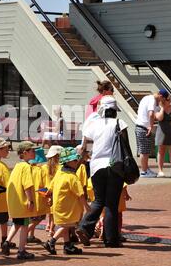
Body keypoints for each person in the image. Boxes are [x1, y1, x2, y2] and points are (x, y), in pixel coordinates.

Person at [76, 96, 129, 248]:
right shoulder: (120, 123)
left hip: (96, 167)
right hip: (115, 167)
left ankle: (84, 227)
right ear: (114, 110)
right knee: (111, 204)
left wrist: (78, 166)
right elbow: (125, 146)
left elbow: (85, 148)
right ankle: (111, 239)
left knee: (98, 200)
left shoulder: (92, 125)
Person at [42, 147, 91, 255]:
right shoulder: (72, 177)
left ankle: (67, 245)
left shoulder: (60, 172)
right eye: (74, 160)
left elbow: (52, 184)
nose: (76, 161)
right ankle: (51, 242)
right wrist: (86, 206)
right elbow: (80, 194)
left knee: (65, 225)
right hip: (68, 207)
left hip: (59, 204)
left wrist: (48, 193)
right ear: (68, 161)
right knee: (67, 225)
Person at [2, 141, 37, 260]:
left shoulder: (17, 166)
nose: (34, 152)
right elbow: (27, 185)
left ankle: (7, 242)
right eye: (32, 150)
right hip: (23, 201)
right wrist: (30, 200)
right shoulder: (26, 167)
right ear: (25, 152)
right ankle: (21, 250)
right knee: (24, 226)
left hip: (14, 201)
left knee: (17, 224)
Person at [135, 90, 168, 178]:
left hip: (140, 126)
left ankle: (145, 169)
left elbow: (155, 116)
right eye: (162, 99)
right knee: (144, 151)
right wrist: (150, 126)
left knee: (144, 150)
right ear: (160, 96)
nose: (161, 102)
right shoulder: (152, 100)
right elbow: (151, 114)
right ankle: (144, 171)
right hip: (144, 127)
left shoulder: (146, 98)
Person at [27, 148, 49, 244]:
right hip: (39, 196)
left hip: (29, 195)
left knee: (32, 218)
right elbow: (44, 184)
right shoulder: (42, 169)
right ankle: (25, 233)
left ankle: (30, 236)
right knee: (39, 218)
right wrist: (47, 196)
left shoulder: (29, 168)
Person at [155, 94, 171, 177]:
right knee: (161, 151)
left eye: (167, 100)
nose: (166, 102)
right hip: (161, 132)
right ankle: (160, 170)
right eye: (164, 101)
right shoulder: (158, 108)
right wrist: (162, 108)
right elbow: (160, 118)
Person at [42, 145, 63, 238]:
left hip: (46, 190)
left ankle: (48, 225)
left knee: (50, 211)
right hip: (56, 190)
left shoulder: (44, 167)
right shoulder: (60, 167)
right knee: (54, 211)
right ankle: (51, 229)